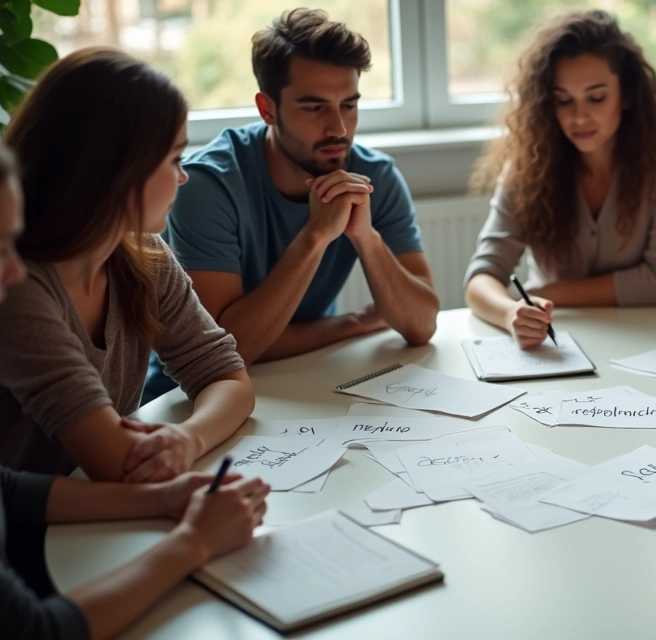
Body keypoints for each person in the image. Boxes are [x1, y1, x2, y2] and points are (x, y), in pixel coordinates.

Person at [0, 134, 269, 640]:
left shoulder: (142, 256)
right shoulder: (25, 294)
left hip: (74, 534)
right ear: (115, 171)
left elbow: (1, 489)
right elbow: (31, 631)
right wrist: (192, 543)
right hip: (39, 558)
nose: (12, 271)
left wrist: (175, 475)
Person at [0, 48, 253, 481]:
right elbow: (115, 462)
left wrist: (190, 438)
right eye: (174, 159)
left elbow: (226, 374)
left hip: (98, 516)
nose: (183, 177)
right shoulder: (12, 287)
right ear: (115, 170)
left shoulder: (143, 256)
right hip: (22, 536)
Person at [146, 8, 440, 402]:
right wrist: (317, 239)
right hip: (185, 403)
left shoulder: (375, 177)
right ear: (267, 109)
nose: (338, 128)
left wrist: (366, 238)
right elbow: (227, 353)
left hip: (301, 382)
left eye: (349, 105)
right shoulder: (206, 185)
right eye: (314, 107)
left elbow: (421, 325)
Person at [464, 9, 656, 348]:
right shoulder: (529, 161)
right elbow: (481, 277)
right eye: (563, 100)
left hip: (642, 339)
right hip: (556, 340)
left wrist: (543, 294)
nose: (579, 117)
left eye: (596, 97)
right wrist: (510, 313)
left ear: (626, 95)